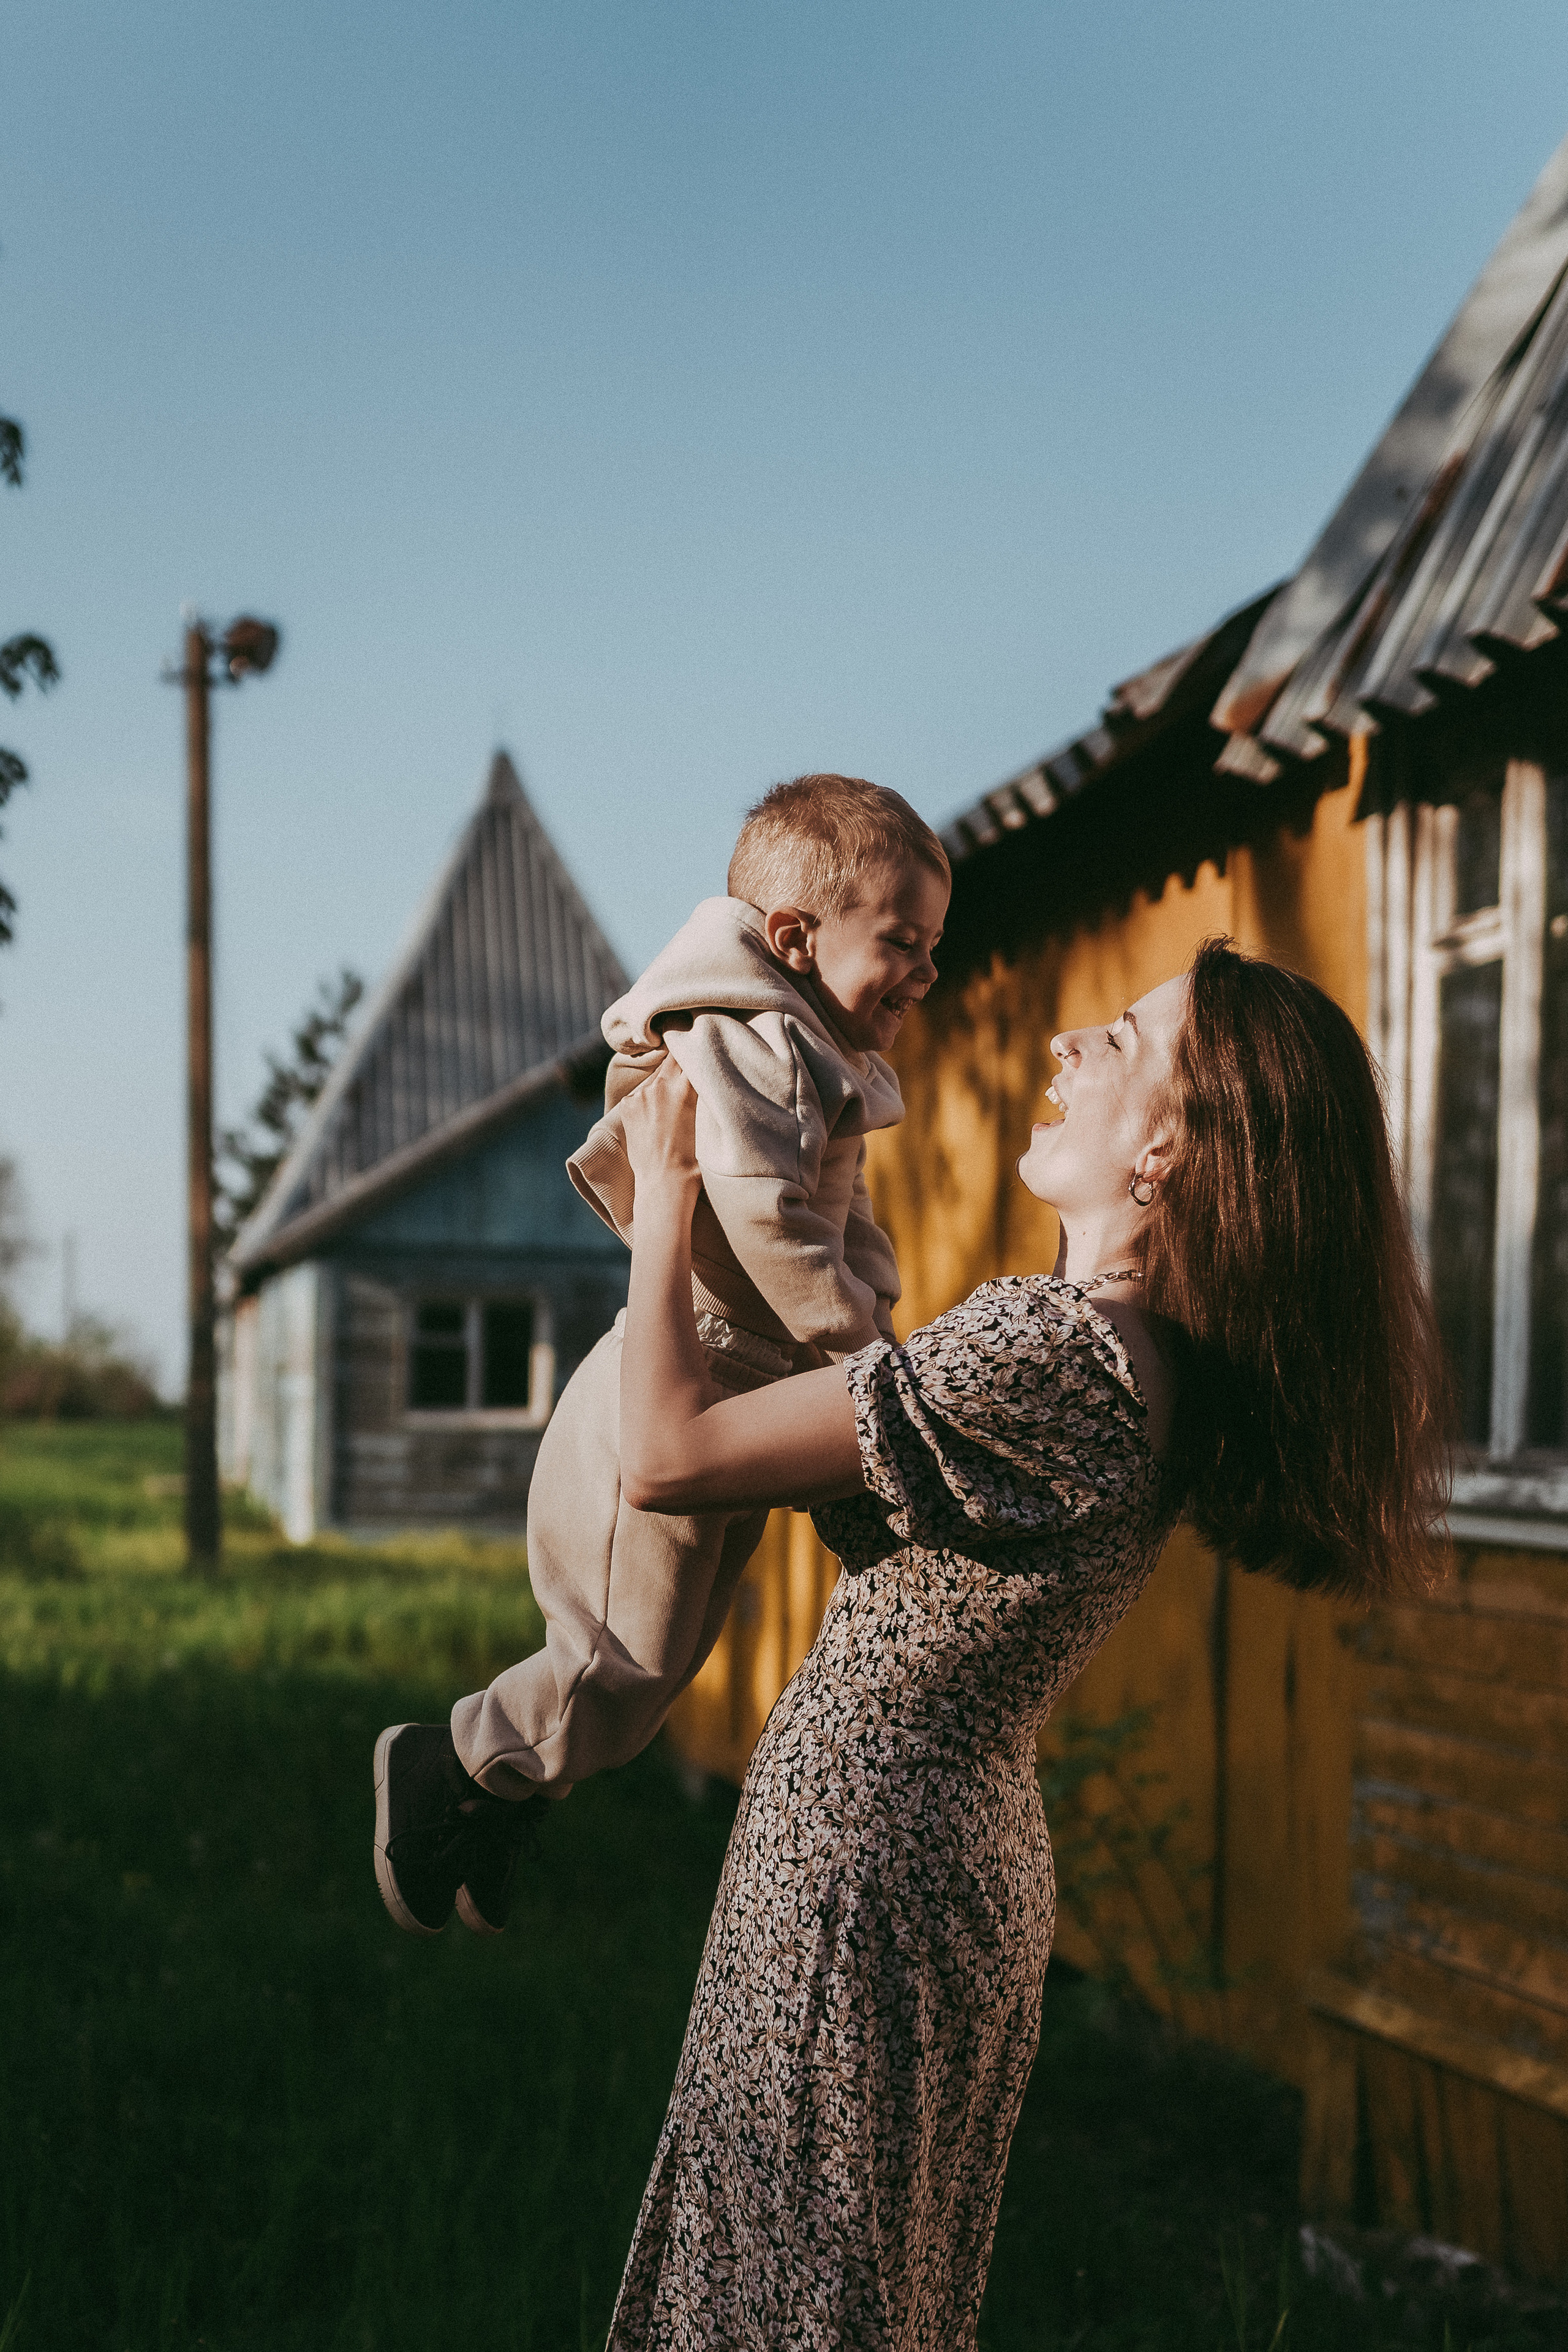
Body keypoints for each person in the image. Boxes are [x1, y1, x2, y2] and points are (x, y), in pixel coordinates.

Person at [601, 937, 1449, 2351]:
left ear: (1172, 1148)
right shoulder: (1142, 1356)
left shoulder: (1052, 1348)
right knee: (857, 2286)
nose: (1065, 1046)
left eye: (1116, 1041)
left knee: (791, 2293)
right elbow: (849, 1431)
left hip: (864, 1867)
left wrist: (669, 1183)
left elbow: (666, 1455)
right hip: (938, 1854)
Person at [372, 775, 951, 1938]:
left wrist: (876, 1319)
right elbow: (765, 1219)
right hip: (694, 1368)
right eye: (903, 944)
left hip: (746, 1381)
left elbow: (841, 1229)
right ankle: (451, 1769)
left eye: (934, 950)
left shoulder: (814, 1051)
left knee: (661, 1660)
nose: (926, 976)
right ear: (792, 936)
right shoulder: (753, 1042)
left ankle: (504, 1787)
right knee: (618, 1661)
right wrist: (863, 1352)